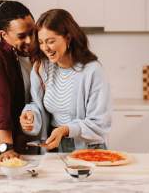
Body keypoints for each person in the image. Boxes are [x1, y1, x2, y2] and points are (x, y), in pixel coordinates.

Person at [20, 9, 111, 152]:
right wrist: (30, 115)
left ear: (68, 38)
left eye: (50, 41)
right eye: (41, 42)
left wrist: (66, 129)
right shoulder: (42, 67)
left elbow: (100, 123)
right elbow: (36, 104)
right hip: (54, 147)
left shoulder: (92, 71)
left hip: (88, 150)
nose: (45, 48)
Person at [0, 0, 37, 161]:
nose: (30, 41)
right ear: (4, 35)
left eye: (32, 32)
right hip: (2, 149)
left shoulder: (37, 54)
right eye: (22, 36)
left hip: (34, 145)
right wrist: (6, 148)